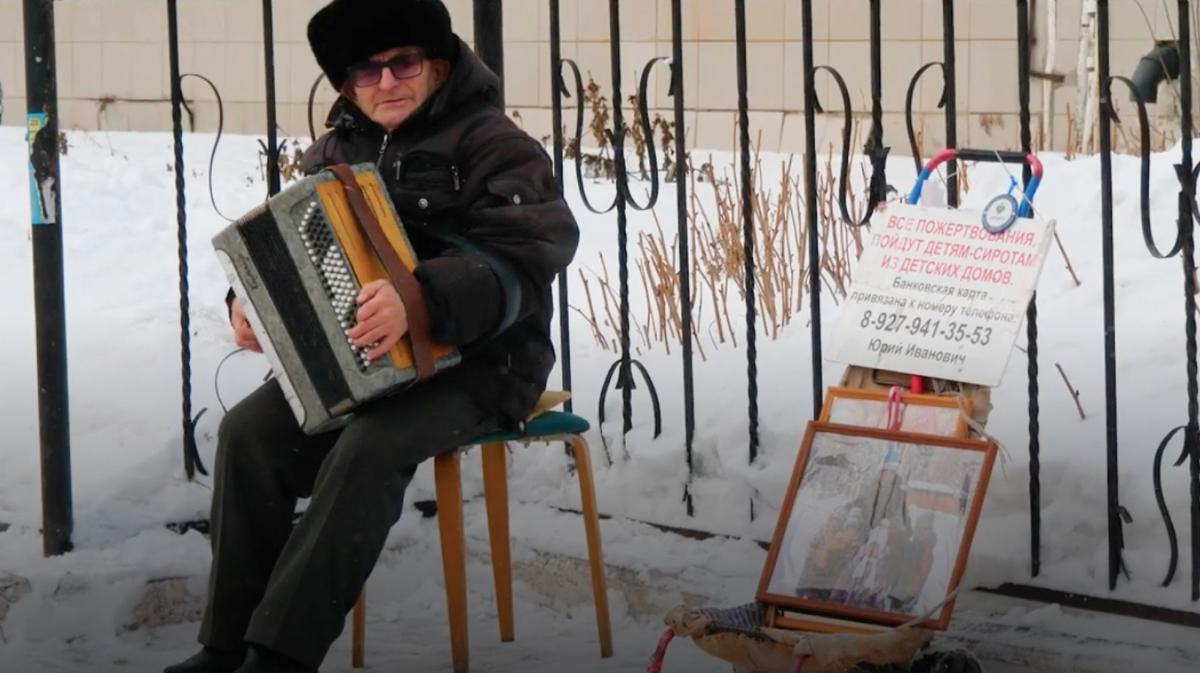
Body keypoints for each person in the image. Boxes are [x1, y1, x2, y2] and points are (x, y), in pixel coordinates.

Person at [164, 1, 579, 671]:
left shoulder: (493, 142)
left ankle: (278, 655)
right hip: (356, 362)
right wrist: (248, 302)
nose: (386, 83)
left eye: (403, 63)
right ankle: (223, 646)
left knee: (369, 445)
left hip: (482, 362)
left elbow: (530, 256)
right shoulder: (334, 150)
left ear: (438, 66)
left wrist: (420, 302)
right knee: (248, 435)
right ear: (346, 84)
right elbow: (290, 250)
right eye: (366, 71)